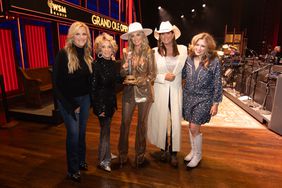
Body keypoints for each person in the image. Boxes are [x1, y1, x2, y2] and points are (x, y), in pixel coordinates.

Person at [52, 21, 93, 182]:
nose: (81, 37)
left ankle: (81, 161)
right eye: (78, 33)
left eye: (84, 34)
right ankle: (72, 169)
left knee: (81, 133)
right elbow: (57, 84)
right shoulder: (63, 54)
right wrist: (71, 105)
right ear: (71, 36)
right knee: (74, 134)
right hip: (68, 101)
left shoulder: (87, 54)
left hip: (84, 100)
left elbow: (88, 82)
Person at [147, 21, 187, 168]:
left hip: (176, 91)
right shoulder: (153, 51)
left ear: (173, 34)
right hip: (160, 90)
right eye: (162, 33)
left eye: (168, 32)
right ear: (159, 36)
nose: (165, 36)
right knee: (161, 119)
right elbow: (149, 74)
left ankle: (174, 152)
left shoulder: (183, 50)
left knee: (175, 121)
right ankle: (163, 149)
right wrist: (163, 77)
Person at [117, 22, 156, 168]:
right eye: (132, 36)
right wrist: (125, 67)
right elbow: (121, 73)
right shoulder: (126, 52)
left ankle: (140, 154)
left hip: (144, 93)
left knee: (141, 125)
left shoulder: (149, 52)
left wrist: (137, 81)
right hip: (128, 93)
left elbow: (152, 75)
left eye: (138, 34)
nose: (135, 38)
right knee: (124, 123)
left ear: (143, 36)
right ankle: (122, 154)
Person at [182, 32, 222, 168]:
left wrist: (216, 103)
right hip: (188, 96)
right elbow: (181, 74)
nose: (199, 48)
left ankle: (198, 155)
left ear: (208, 48)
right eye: (197, 45)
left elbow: (217, 83)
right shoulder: (188, 58)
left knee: (194, 127)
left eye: (202, 46)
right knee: (191, 125)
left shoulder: (214, 61)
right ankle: (193, 151)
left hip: (204, 98)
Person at [91, 32, 120, 172]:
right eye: (104, 47)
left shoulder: (113, 64)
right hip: (101, 103)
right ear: (99, 49)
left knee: (106, 130)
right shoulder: (96, 65)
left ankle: (105, 153)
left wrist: (124, 69)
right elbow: (93, 89)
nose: (107, 49)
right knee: (105, 131)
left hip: (111, 102)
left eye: (109, 47)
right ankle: (104, 160)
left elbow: (117, 82)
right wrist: (98, 107)